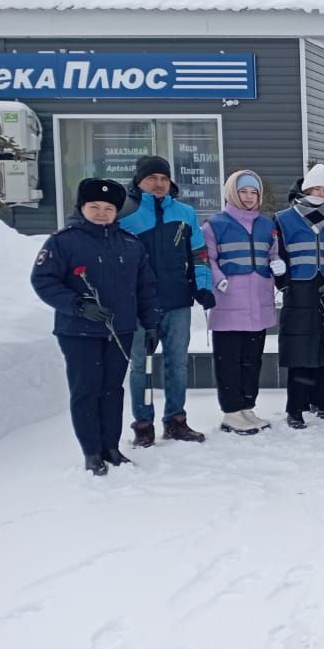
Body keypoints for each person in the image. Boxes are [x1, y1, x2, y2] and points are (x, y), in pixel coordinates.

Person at [31, 179, 162, 474]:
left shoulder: (130, 244)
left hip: (122, 330)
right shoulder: (63, 242)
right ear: (82, 208)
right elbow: (43, 280)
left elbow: (146, 286)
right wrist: (77, 305)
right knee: (87, 389)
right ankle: (91, 451)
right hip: (78, 331)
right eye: (95, 207)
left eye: (108, 208)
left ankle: (111, 447)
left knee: (112, 389)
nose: (102, 213)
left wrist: (152, 323)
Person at [118, 154, 214, 446]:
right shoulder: (126, 214)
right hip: (140, 305)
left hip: (177, 302)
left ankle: (175, 420)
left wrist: (203, 285)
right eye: (152, 178)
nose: (158, 184)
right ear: (139, 181)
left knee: (177, 364)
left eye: (163, 178)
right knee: (141, 366)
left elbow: (199, 254)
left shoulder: (185, 213)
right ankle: (143, 424)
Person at [202, 170, 284, 436]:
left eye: (254, 192)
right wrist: (217, 279)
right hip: (229, 301)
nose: (249, 197)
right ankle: (230, 411)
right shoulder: (215, 224)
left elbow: (272, 251)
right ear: (232, 193)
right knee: (229, 360)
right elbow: (207, 258)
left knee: (252, 359)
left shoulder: (265, 224)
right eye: (243, 191)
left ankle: (247, 405)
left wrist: (276, 264)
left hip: (258, 301)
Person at [274, 164, 324, 429]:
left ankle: (320, 399)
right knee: (299, 348)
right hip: (299, 289)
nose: (320, 193)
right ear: (304, 189)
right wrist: (283, 284)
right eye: (315, 188)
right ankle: (295, 406)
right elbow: (276, 255)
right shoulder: (283, 219)